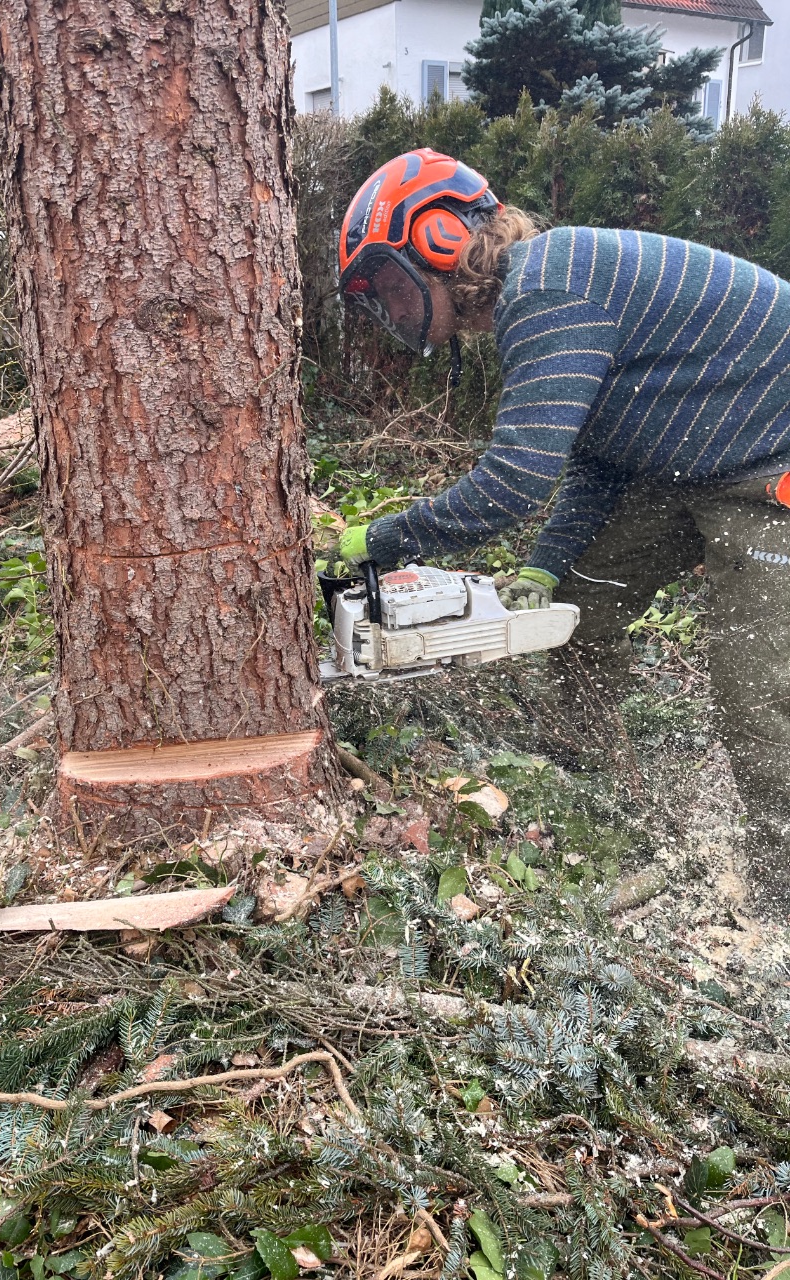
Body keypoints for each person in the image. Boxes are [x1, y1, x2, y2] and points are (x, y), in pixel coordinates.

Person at [335, 147, 790, 915]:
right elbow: (597, 460)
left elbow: (515, 480)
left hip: (770, 462)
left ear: (441, 241)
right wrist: (545, 569)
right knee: (575, 615)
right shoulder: (548, 294)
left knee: (761, 694)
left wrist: (384, 540)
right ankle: (596, 789)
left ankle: (777, 898)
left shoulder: (550, 281)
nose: (394, 309)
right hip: (682, 468)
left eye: (388, 285)